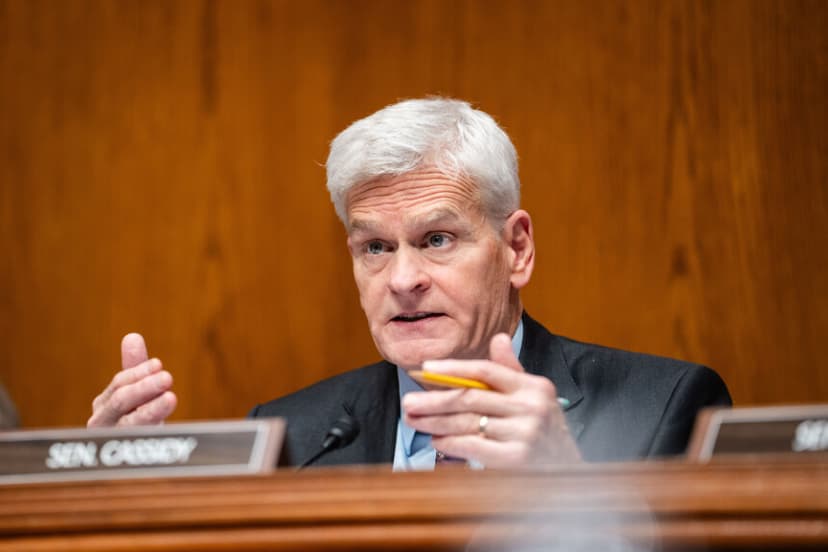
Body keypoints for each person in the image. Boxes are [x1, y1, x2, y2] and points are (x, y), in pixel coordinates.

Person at [88, 97, 731, 468]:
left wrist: (570, 499)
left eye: (436, 240)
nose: (401, 280)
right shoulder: (293, 435)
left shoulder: (662, 411)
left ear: (517, 249)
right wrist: (120, 494)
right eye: (375, 247)